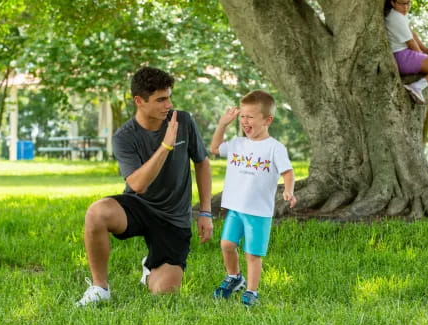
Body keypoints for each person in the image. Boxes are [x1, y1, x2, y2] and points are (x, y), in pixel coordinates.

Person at [76, 67, 213, 306]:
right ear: (139, 101)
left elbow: (202, 163)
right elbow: (138, 184)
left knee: (164, 293)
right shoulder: (124, 137)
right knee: (97, 213)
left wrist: (205, 211)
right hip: (139, 206)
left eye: (169, 97)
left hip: (173, 218)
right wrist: (166, 146)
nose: (168, 104)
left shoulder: (184, 121)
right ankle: (100, 288)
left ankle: (149, 268)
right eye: (161, 99)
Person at [209, 90, 296, 307]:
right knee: (227, 244)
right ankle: (234, 277)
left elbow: (288, 172)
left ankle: (251, 291)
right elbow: (214, 148)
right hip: (236, 209)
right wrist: (222, 125)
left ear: (267, 120)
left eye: (250, 117)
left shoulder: (275, 148)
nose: (245, 121)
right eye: (242, 116)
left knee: (252, 254)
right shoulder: (237, 143)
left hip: (258, 212)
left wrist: (288, 190)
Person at [384, 0, 428, 104]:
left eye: (408, 3)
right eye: (401, 3)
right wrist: (421, 55)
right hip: (403, 57)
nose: (406, 7)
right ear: (393, 3)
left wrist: (425, 49)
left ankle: (417, 86)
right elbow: (411, 42)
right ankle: (417, 87)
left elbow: (412, 34)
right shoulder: (396, 18)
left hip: (404, 54)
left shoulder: (399, 14)